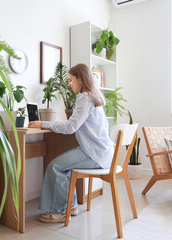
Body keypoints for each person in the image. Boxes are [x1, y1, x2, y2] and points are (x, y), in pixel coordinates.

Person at [28, 63, 114, 223]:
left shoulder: (85, 97)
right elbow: (73, 125)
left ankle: (60, 212)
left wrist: (43, 123)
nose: (69, 84)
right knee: (62, 166)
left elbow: (70, 127)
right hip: (101, 152)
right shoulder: (93, 96)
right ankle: (71, 206)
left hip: (94, 154)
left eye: (71, 80)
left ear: (80, 80)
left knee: (55, 166)